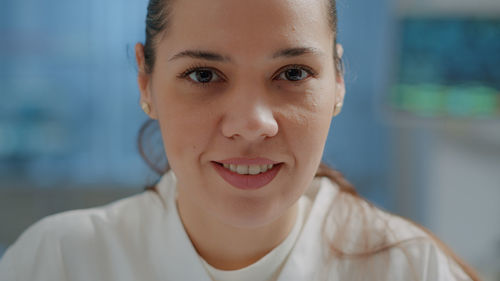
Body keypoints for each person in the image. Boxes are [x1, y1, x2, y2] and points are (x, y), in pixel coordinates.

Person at [0, 0, 481, 280]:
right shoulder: (58, 262)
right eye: (204, 74)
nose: (253, 124)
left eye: (292, 72)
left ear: (337, 81)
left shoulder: (410, 268)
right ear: (146, 82)